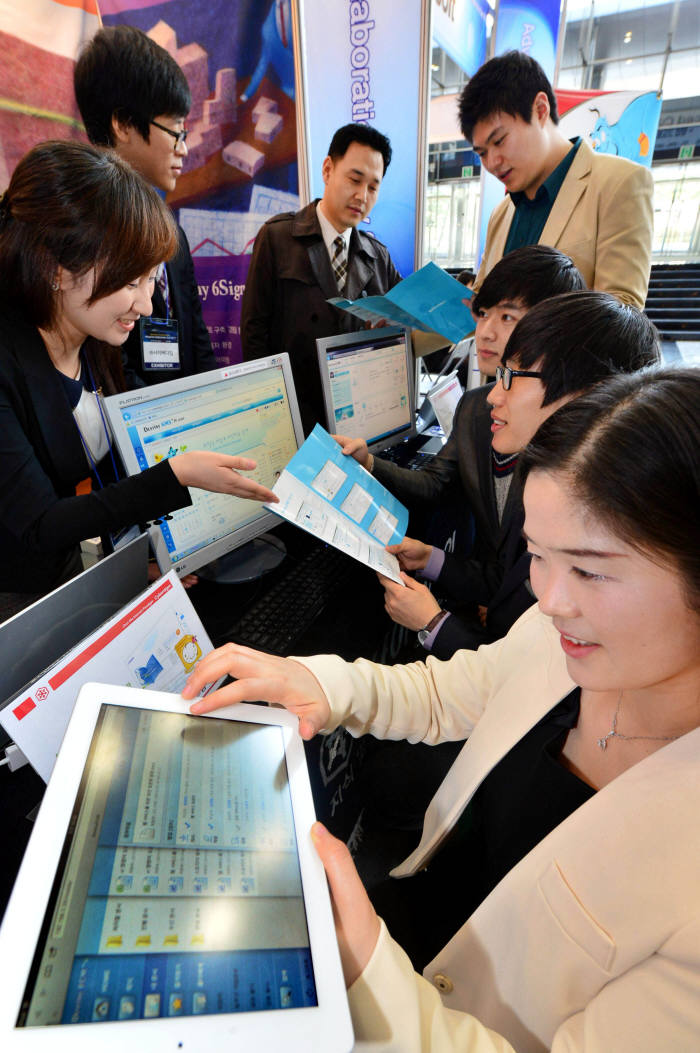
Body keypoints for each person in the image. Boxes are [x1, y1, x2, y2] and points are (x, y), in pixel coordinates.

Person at [183, 367, 700, 1052]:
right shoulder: (568, 637)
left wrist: (366, 965)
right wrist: (319, 682)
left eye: (591, 570)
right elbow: (454, 690)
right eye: (539, 558)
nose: (550, 601)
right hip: (416, 926)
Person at [0, 141, 276, 607]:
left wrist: (127, 560)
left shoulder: (95, 338)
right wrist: (175, 476)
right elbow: (39, 524)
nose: (146, 305)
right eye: (131, 282)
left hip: (68, 572)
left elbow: (99, 486)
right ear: (58, 268)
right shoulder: (10, 360)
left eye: (150, 279)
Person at [336, 252, 610, 659]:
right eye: (482, 314)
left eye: (508, 318)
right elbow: (440, 488)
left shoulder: (579, 479)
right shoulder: (478, 407)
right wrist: (373, 466)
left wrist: (435, 623)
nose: (485, 332)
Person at [74, 24, 217, 388]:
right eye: (176, 131)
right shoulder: (80, 234)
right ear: (123, 124)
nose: (183, 147)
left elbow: (197, 340)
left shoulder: (174, 234)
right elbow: (106, 365)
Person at [459, 51, 653, 309]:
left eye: (499, 141)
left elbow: (622, 311)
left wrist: (525, 327)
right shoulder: (502, 213)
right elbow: (485, 303)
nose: (492, 162)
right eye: (482, 152)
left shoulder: (618, 183)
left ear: (540, 110)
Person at [241, 122, 401, 435]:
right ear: (328, 169)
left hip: (358, 419)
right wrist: (270, 411)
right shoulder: (277, 238)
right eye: (355, 179)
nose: (361, 195)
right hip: (293, 415)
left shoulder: (377, 255)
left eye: (373, 187)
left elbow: (406, 321)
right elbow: (254, 332)